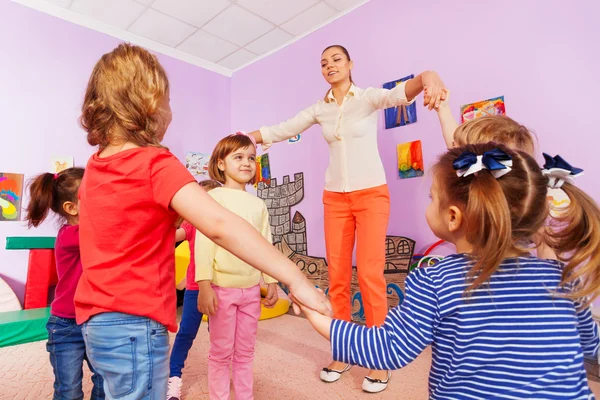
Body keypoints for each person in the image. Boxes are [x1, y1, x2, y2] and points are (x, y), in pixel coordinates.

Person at [74, 43, 330, 400]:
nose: (171, 111)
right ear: (151, 104)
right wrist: (295, 278)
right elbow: (221, 227)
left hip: (93, 322)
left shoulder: (95, 166)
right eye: (169, 102)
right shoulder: (155, 164)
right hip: (136, 322)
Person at [298, 142, 600, 399]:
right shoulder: (562, 278)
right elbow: (591, 346)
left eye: (432, 197)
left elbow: (387, 350)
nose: (430, 204)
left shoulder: (435, 279)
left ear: (453, 217)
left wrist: (315, 314)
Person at [246, 44, 447, 392]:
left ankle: (380, 356)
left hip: (371, 195)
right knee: (336, 274)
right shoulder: (319, 109)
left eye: (336, 60)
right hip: (334, 199)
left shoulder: (367, 98)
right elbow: (283, 128)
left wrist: (428, 77)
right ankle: (343, 350)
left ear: (350, 63)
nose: (330, 66)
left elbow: (402, 93)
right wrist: (247, 136)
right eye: (323, 63)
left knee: (370, 274)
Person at [435, 100, 600, 302]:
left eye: (462, 154)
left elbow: (547, 253)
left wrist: (554, 299)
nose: (457, 158)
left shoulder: (535, 203)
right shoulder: (478, 180)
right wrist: (442, 109)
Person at [196, 133, 279, 400]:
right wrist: (204, 284)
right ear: (221, 164)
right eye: (239, 157)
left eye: (252, 158)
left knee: (245, 351)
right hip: (222, 290)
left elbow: (266, 243)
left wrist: (272, 281)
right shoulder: (214, 199)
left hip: (251, 290)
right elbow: (204, 242)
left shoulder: (258, 204)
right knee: (221, 352)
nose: (247, 163)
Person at [25, 168, 105, 400]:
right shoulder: (70, 235)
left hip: (97, 320)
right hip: (66, 324)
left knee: (105, 379)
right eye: (95, 194)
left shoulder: (88, 231)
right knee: (68, 389)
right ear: (71, 208)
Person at [167, 179, 221, 400]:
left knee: (220, 336)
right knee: (186, 332)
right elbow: (172, 236)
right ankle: (174, 378)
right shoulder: (192, 224)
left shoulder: (223, 224)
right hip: (195, 288)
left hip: (222, 288)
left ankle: (217, 380)